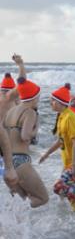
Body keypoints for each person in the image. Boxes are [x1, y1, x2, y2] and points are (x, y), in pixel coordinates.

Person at [39, 83, 75, 224]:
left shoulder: (70, 117)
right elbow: (61, 141)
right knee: (71, 196)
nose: (50, 103)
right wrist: (46, 154)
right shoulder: (62, 116)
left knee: (58, 187)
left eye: (53, 100)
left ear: (60, 103)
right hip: (71, 162)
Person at [3, 77, 48, 207]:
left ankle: (16, 226)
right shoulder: (30, 112)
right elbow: (25, 136)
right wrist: (36, 128)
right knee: (42, 198)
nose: (39, 100)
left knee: (21, 201)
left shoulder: (10, 111)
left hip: (7, 163)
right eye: (38, 97)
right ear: (33, 98)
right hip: (20, 161)